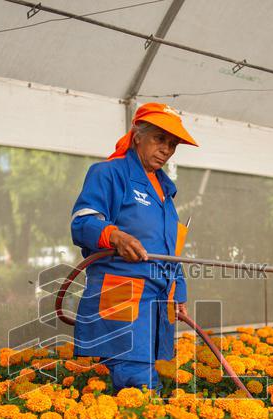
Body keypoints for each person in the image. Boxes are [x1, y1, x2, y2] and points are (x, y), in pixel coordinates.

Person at [70, 103, 198, 391]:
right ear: (138, 136)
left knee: (150, 373)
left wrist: (179, 292)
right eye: (160, 139)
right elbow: (82, 222)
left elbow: (170, 250)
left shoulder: (164, 190)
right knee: (137, 379)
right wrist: (115, 236)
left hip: (159, 298)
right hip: (123, 292)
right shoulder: (109, 173)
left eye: (173, 144)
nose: (166, 150)